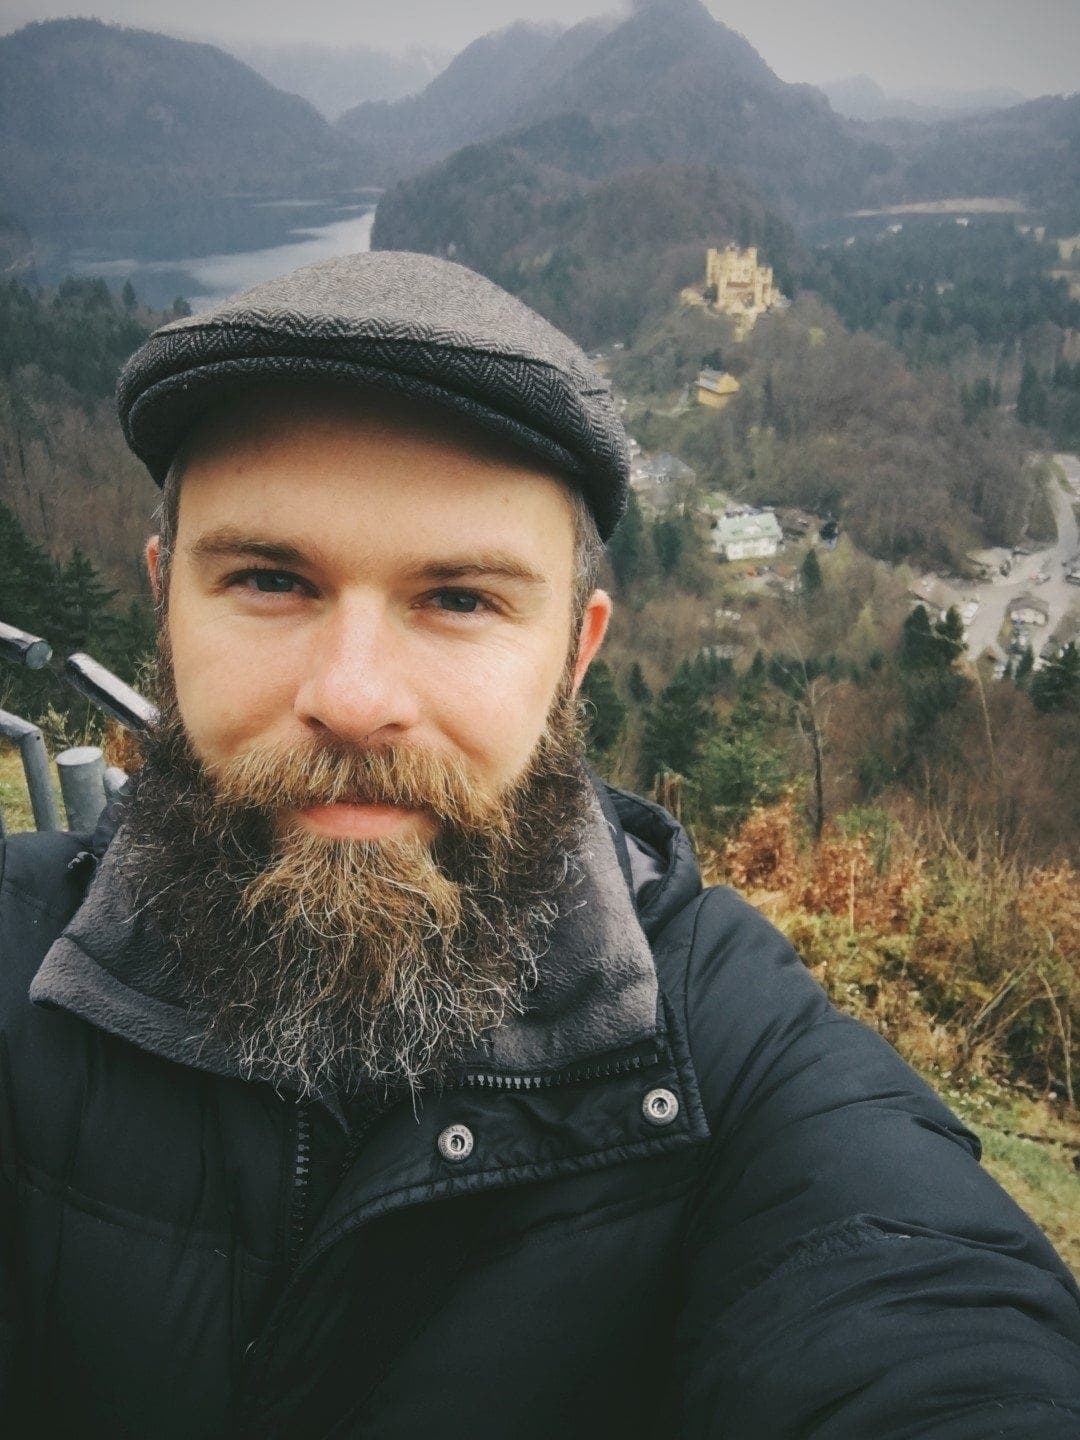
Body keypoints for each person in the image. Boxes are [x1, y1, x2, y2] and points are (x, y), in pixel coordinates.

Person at [1, 251, 1078, 1440]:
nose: (355, 698)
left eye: (460, 598)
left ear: (574, 652)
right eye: (268, 578)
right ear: (164, 603)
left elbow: (923, 1311)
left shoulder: (721, 1044)